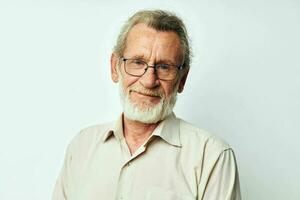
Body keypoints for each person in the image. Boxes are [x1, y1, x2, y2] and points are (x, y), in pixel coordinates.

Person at [52, 10, 241, 200]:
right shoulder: (82, 146)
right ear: (115, 67)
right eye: (137, 62)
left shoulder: (212, 157)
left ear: (182, 79)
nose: (149, 81)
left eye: (164, 67)